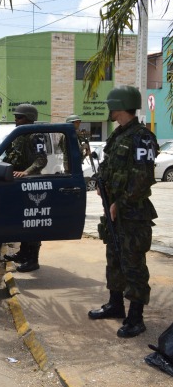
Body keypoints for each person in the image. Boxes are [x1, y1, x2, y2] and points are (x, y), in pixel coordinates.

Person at [87, 85, 158, 338]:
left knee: (133, 264)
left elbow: (143, 179)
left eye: (111, 104)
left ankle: (136, 318)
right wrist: (102, 185)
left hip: (133, 213)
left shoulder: (141, 137)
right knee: (114, 257)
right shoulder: (119, 135)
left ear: (119, 105)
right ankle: (115, 304)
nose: (109, 109)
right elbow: (109, 166)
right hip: (115, 209)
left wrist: (121, 203)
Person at [1, 104, 48, 272]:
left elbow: (41, 160)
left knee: (33, 223)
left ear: (28, 118)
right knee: (23, 221)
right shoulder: (19, 134)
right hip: (19, 184)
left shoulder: (36, 136)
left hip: (32, 183)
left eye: (19, 117)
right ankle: (23, 254)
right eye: (16, 116)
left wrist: (25, 172)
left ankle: (33, 260)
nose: (16, 119)